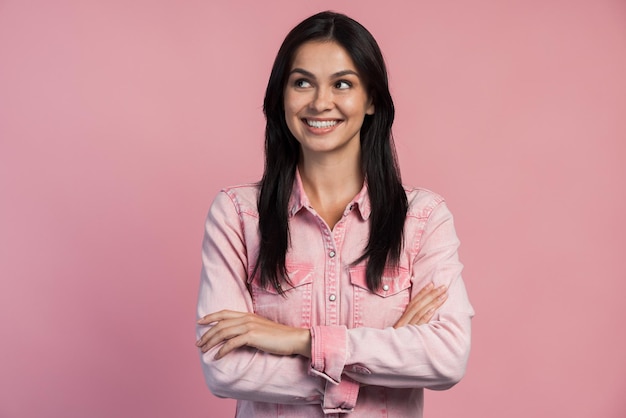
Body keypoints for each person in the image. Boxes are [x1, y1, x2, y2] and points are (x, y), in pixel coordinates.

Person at [196, 11, 474, 417]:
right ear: (281, 96)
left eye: (342, 83)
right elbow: (224, 368)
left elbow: (447, 357)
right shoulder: (238, 215)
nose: (320, 102)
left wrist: (300, 341)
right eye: (302, 82)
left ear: (372, 99)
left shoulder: (423, 218)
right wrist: (382, 355)